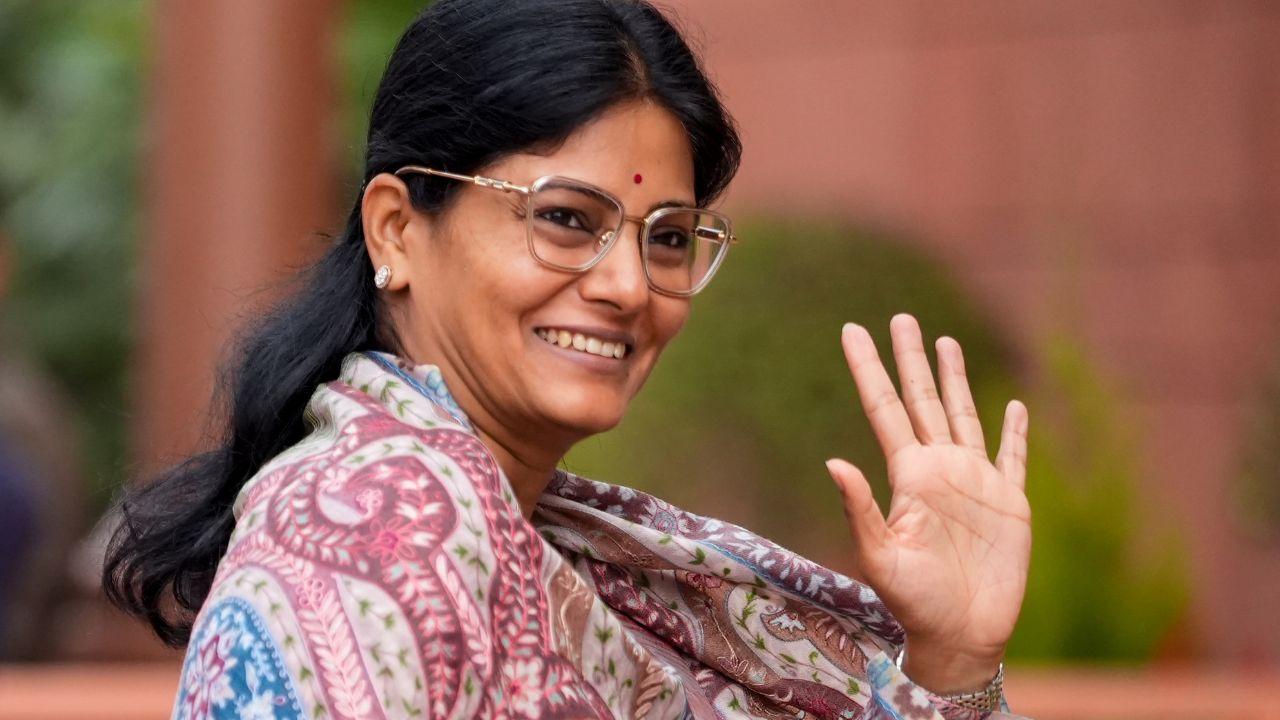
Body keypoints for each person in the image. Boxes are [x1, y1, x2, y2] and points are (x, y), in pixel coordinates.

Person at [104, 1, 1033, 718]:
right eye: (564, 220)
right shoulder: (374, 527)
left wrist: (950, 661)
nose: (628, 285)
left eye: (668, 238)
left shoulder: (540, 545)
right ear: (396, 228)